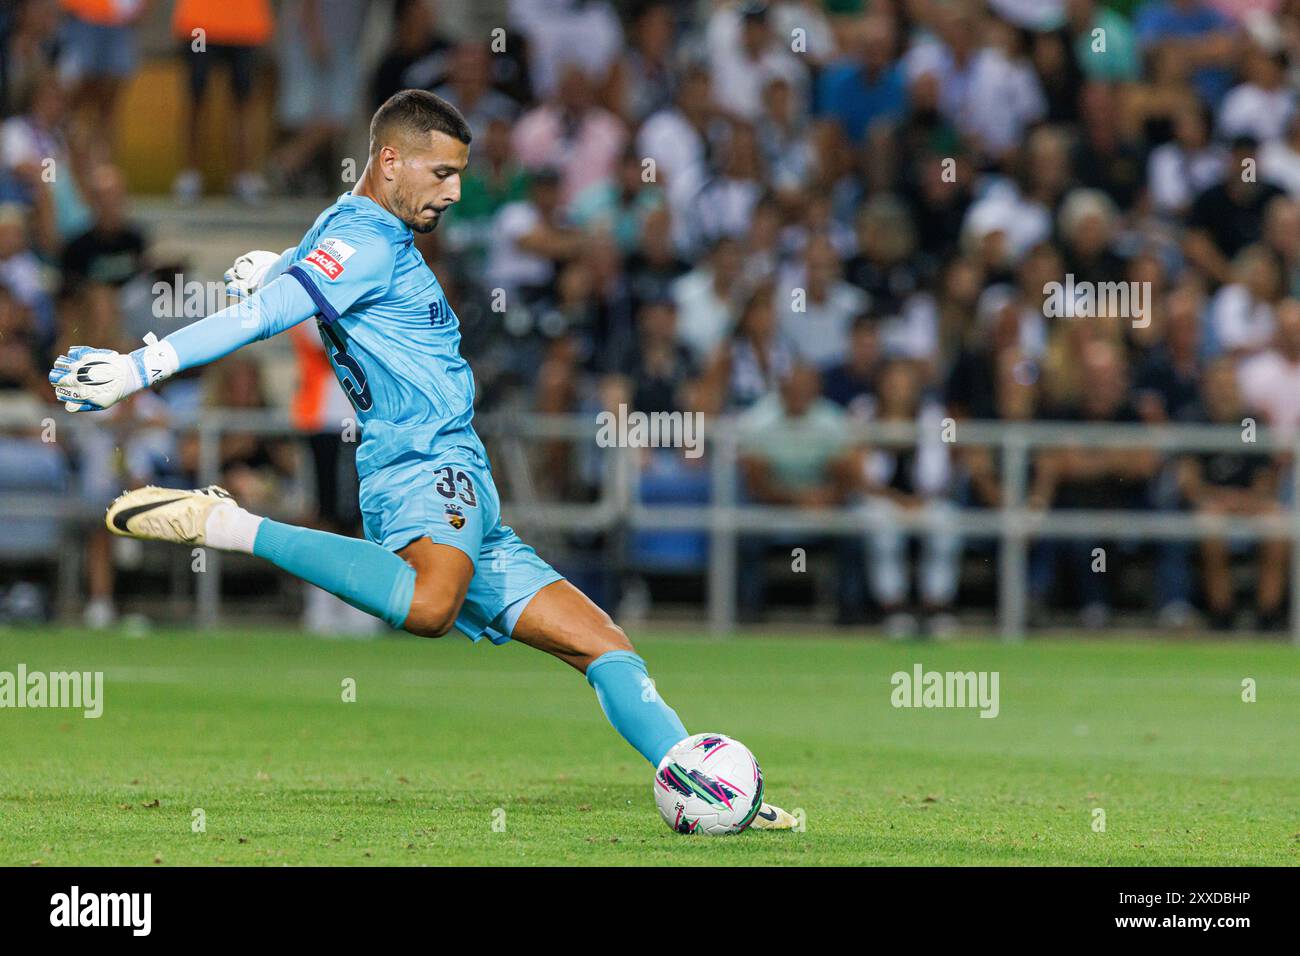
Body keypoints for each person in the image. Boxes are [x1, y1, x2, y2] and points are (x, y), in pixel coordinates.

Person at [47, 89, 795, 831]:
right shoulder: (368, 239)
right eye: (441, 174)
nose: (455, 192)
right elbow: (266, 315)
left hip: (464, 474)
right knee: (431, 605)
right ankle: (231, 526)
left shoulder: (357, 233)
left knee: (605, 647)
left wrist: (280, 263)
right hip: (419, 464)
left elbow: (323, 281)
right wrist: (140, 367)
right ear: (391, 160)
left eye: (461, 175)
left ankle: (703, 786)